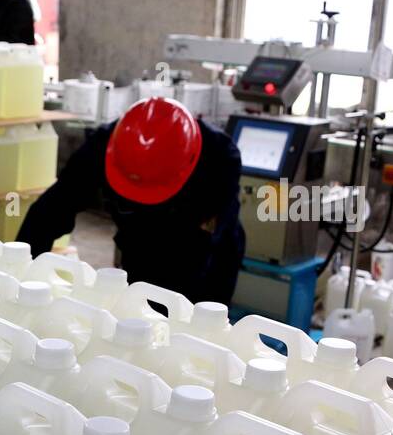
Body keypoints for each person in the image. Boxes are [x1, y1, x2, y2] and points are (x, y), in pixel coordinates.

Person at [16, 97, 246, 305]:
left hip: (196, 248)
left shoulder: (220, 161)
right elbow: (50, 211)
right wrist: (24, 276)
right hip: (140, 240)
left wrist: (196, 315)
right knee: (139, 309)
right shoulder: (105, 145)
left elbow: (214, 248)